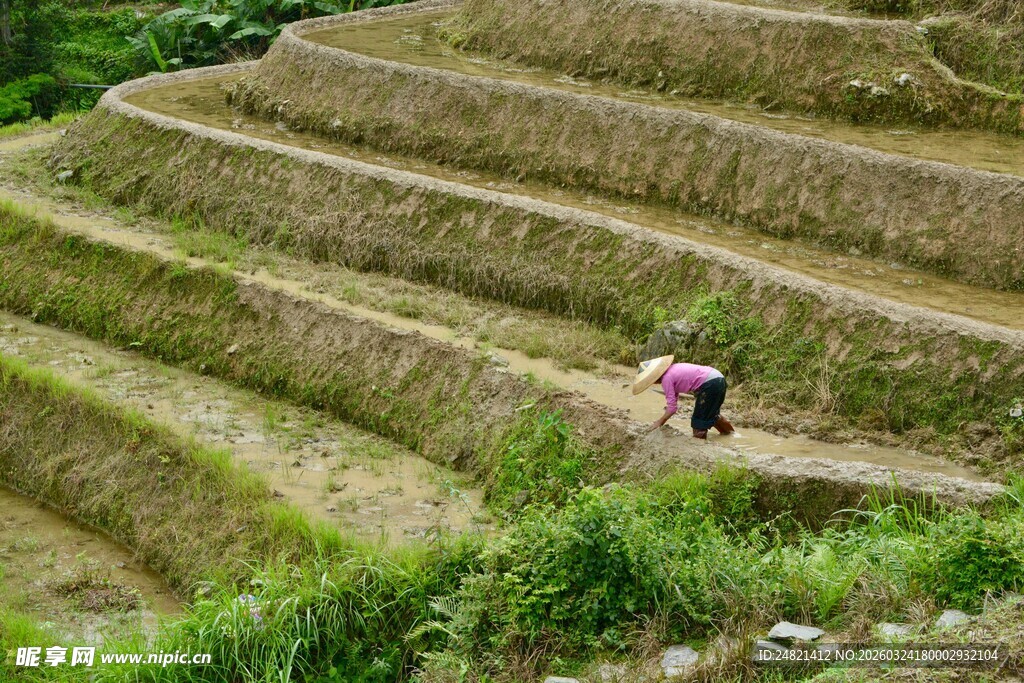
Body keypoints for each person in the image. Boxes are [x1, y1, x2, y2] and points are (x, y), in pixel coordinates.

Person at [631, 355, 734, 439]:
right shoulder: (672, 370)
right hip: (718, 378)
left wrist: (659, 422)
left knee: (698, 423)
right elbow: (673, 402)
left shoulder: (666, 379)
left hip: (709, 383)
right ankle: (731, 436)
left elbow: (672, 408)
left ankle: (700, 449)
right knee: (711, 414)